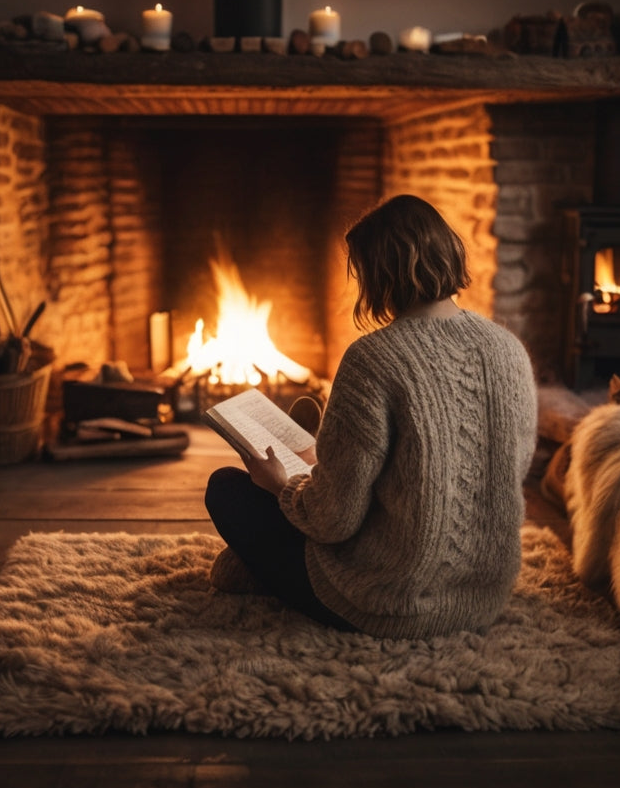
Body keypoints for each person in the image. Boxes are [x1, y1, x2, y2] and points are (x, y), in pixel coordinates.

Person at [203, 194, 538, 638]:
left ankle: (259, 568)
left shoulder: (373, 358)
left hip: (388, 600)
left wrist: (280, 484)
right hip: (482, 597)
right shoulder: (507, 349)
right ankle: (260, 565)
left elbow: (333, 520)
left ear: (378, 275)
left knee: (226, 489)